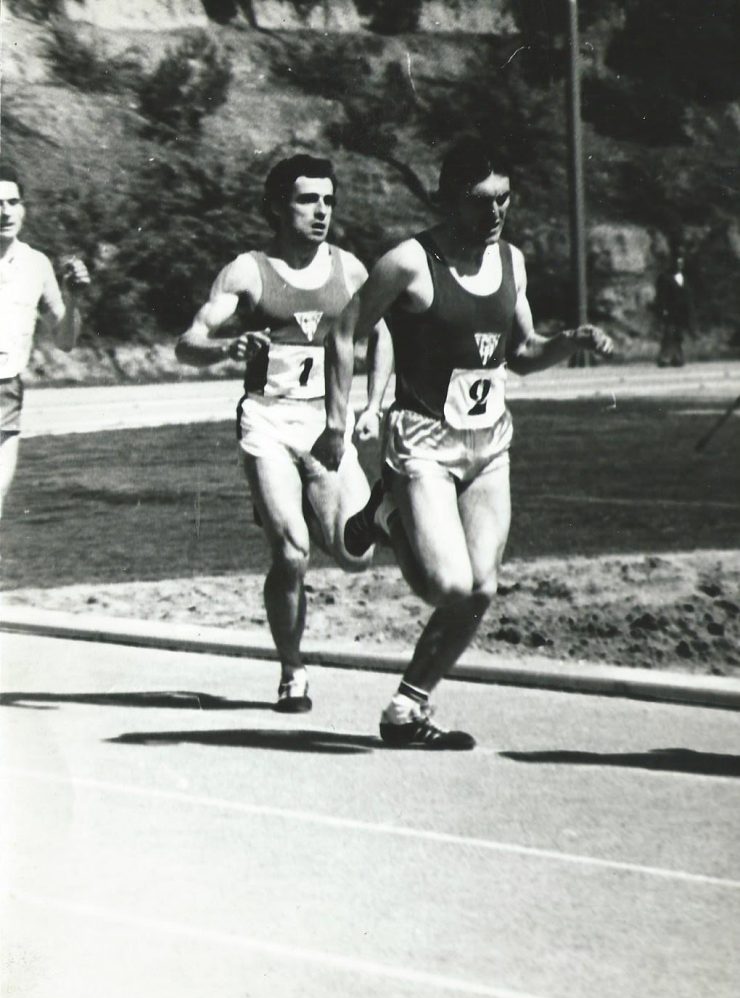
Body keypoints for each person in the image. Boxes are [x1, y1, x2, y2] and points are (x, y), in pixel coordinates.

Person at [315, 137, 613, 749]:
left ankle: (407, 707)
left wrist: (570, 341)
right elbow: (343, 333)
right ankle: (387, 511)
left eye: (504, 198)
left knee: (481, 589)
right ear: (449, 200)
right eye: (481, 200)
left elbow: (523, 354)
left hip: (488, 445)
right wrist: (337, 422)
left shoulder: (512, 262)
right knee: (445, 587)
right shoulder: (409, 263)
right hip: (422, 444)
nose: (496, 211)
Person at [176, 154, 392, 713]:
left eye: (328, 200)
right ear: (276, 206)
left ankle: (335, 511)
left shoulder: (349, 270)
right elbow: (188, 342)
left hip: (326, 426)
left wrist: (373, 404)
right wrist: (226, 347)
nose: (321, 211)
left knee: (356, 556)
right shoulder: (248, 271)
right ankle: (292, 670)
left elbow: (383, 335)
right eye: (307, 200)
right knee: (292, 554)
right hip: (267, 423)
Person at [0, 163, 89, 516]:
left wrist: (72, 297)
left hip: (6, 393)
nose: (5, 212)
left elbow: (65, 340)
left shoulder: (36, 264)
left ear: (23, 207)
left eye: (13, 202)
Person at [655, 246, 695, 367]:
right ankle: (664, 357)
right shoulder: (665, 277)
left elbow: (688, 296)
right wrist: (663, 309)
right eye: (677, 263)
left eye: (681, 263)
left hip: (682, 312)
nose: (679, 265)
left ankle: (677, 356)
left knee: (679, 334)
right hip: (671, 310)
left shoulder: (684, 278)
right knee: (668, 334)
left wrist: (689, 311)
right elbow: (661, 295)